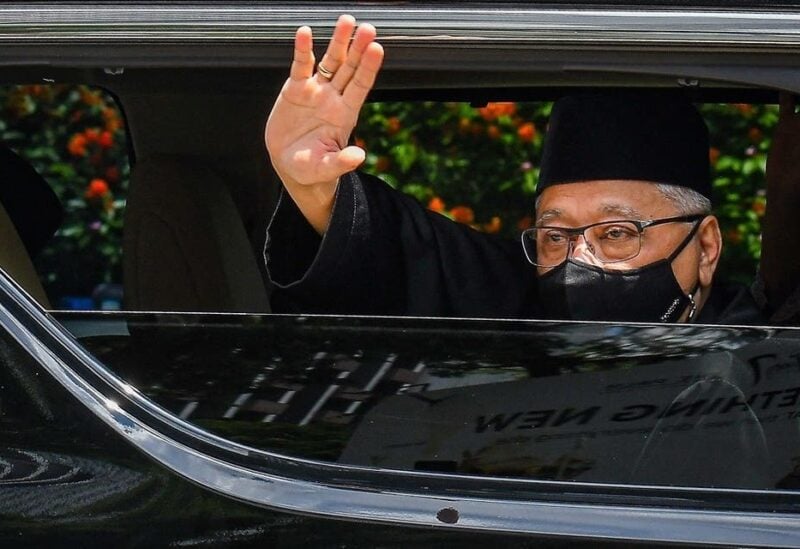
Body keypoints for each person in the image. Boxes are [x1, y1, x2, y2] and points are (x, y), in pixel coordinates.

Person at [263, 15, 766, 324]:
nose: (580, 264)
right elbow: (411, 252)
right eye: (554, 236)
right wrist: (315, 186)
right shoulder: (524, 300)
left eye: (617, 233)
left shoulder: (768, 363)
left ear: (705, 248)